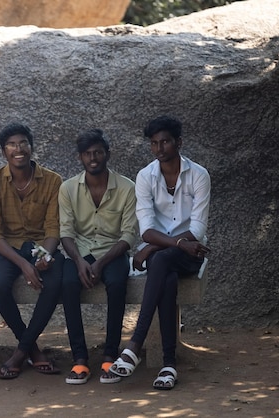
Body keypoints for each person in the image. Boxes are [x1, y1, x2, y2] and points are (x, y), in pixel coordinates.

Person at [109, 115, 211, 390]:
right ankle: (168, 365)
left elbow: (198, 229)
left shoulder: (199, 175)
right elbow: (146, 230)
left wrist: (157, 246)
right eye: (154, 143)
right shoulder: (145, 176)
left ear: (178, 142)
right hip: (168, 254)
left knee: (161, 261)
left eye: (165, 141)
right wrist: (169, 244)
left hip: (191, 252)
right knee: (164, 273)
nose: (159, 148)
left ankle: (134, 346)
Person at [0, 122, 64, 379]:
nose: (19, 149)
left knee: (55, 282)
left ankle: (20, 353)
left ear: (31, 147)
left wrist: (44, 256)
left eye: (24, 143)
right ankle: (31, 349)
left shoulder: (53, 181)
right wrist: (24, 265)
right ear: (4, 151)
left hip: (41, 246)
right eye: (12, 145)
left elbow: (53, 229)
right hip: (10, 248)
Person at [59, 128, 139, 385]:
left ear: (107, 154)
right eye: (87, 154)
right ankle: (80, 359)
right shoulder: (68, 188)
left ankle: (109, 355)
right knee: (68, 283)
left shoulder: (127, 188)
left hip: (113, 252)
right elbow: (66, 233)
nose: (93, 158)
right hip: (80, 252)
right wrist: (80, 262)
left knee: (117, 284)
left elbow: (128, 235)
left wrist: (102, 262)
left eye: (98, 152)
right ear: (80, 158)